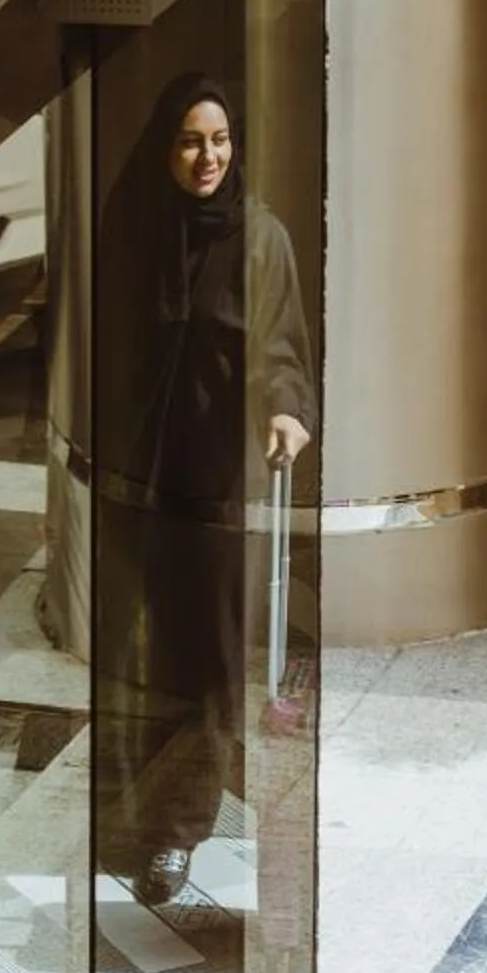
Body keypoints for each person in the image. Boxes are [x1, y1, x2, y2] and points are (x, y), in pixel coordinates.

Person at [91, 73, 318, 905]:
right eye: (191, 140)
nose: (207, 157)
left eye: (219, 141)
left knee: (208, 666)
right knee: (128, 660)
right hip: (136, 486)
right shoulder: (136, 229)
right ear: (166, 150)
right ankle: (128, 804)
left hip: (217, 494)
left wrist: (288, 412)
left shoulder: (260, 240)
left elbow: (283, 350)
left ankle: (176, 832)